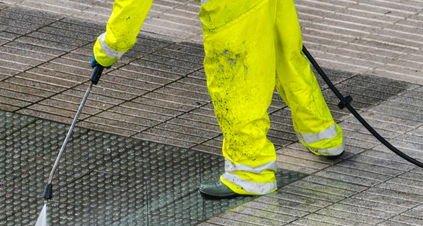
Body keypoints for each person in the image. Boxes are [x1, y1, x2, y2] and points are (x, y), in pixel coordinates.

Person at [92, 0, 344, 199]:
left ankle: (250, 173)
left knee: (235, 84)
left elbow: (131, 8)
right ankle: (323, 136)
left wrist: (108, 49)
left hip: (232, 6)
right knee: (286, 60)